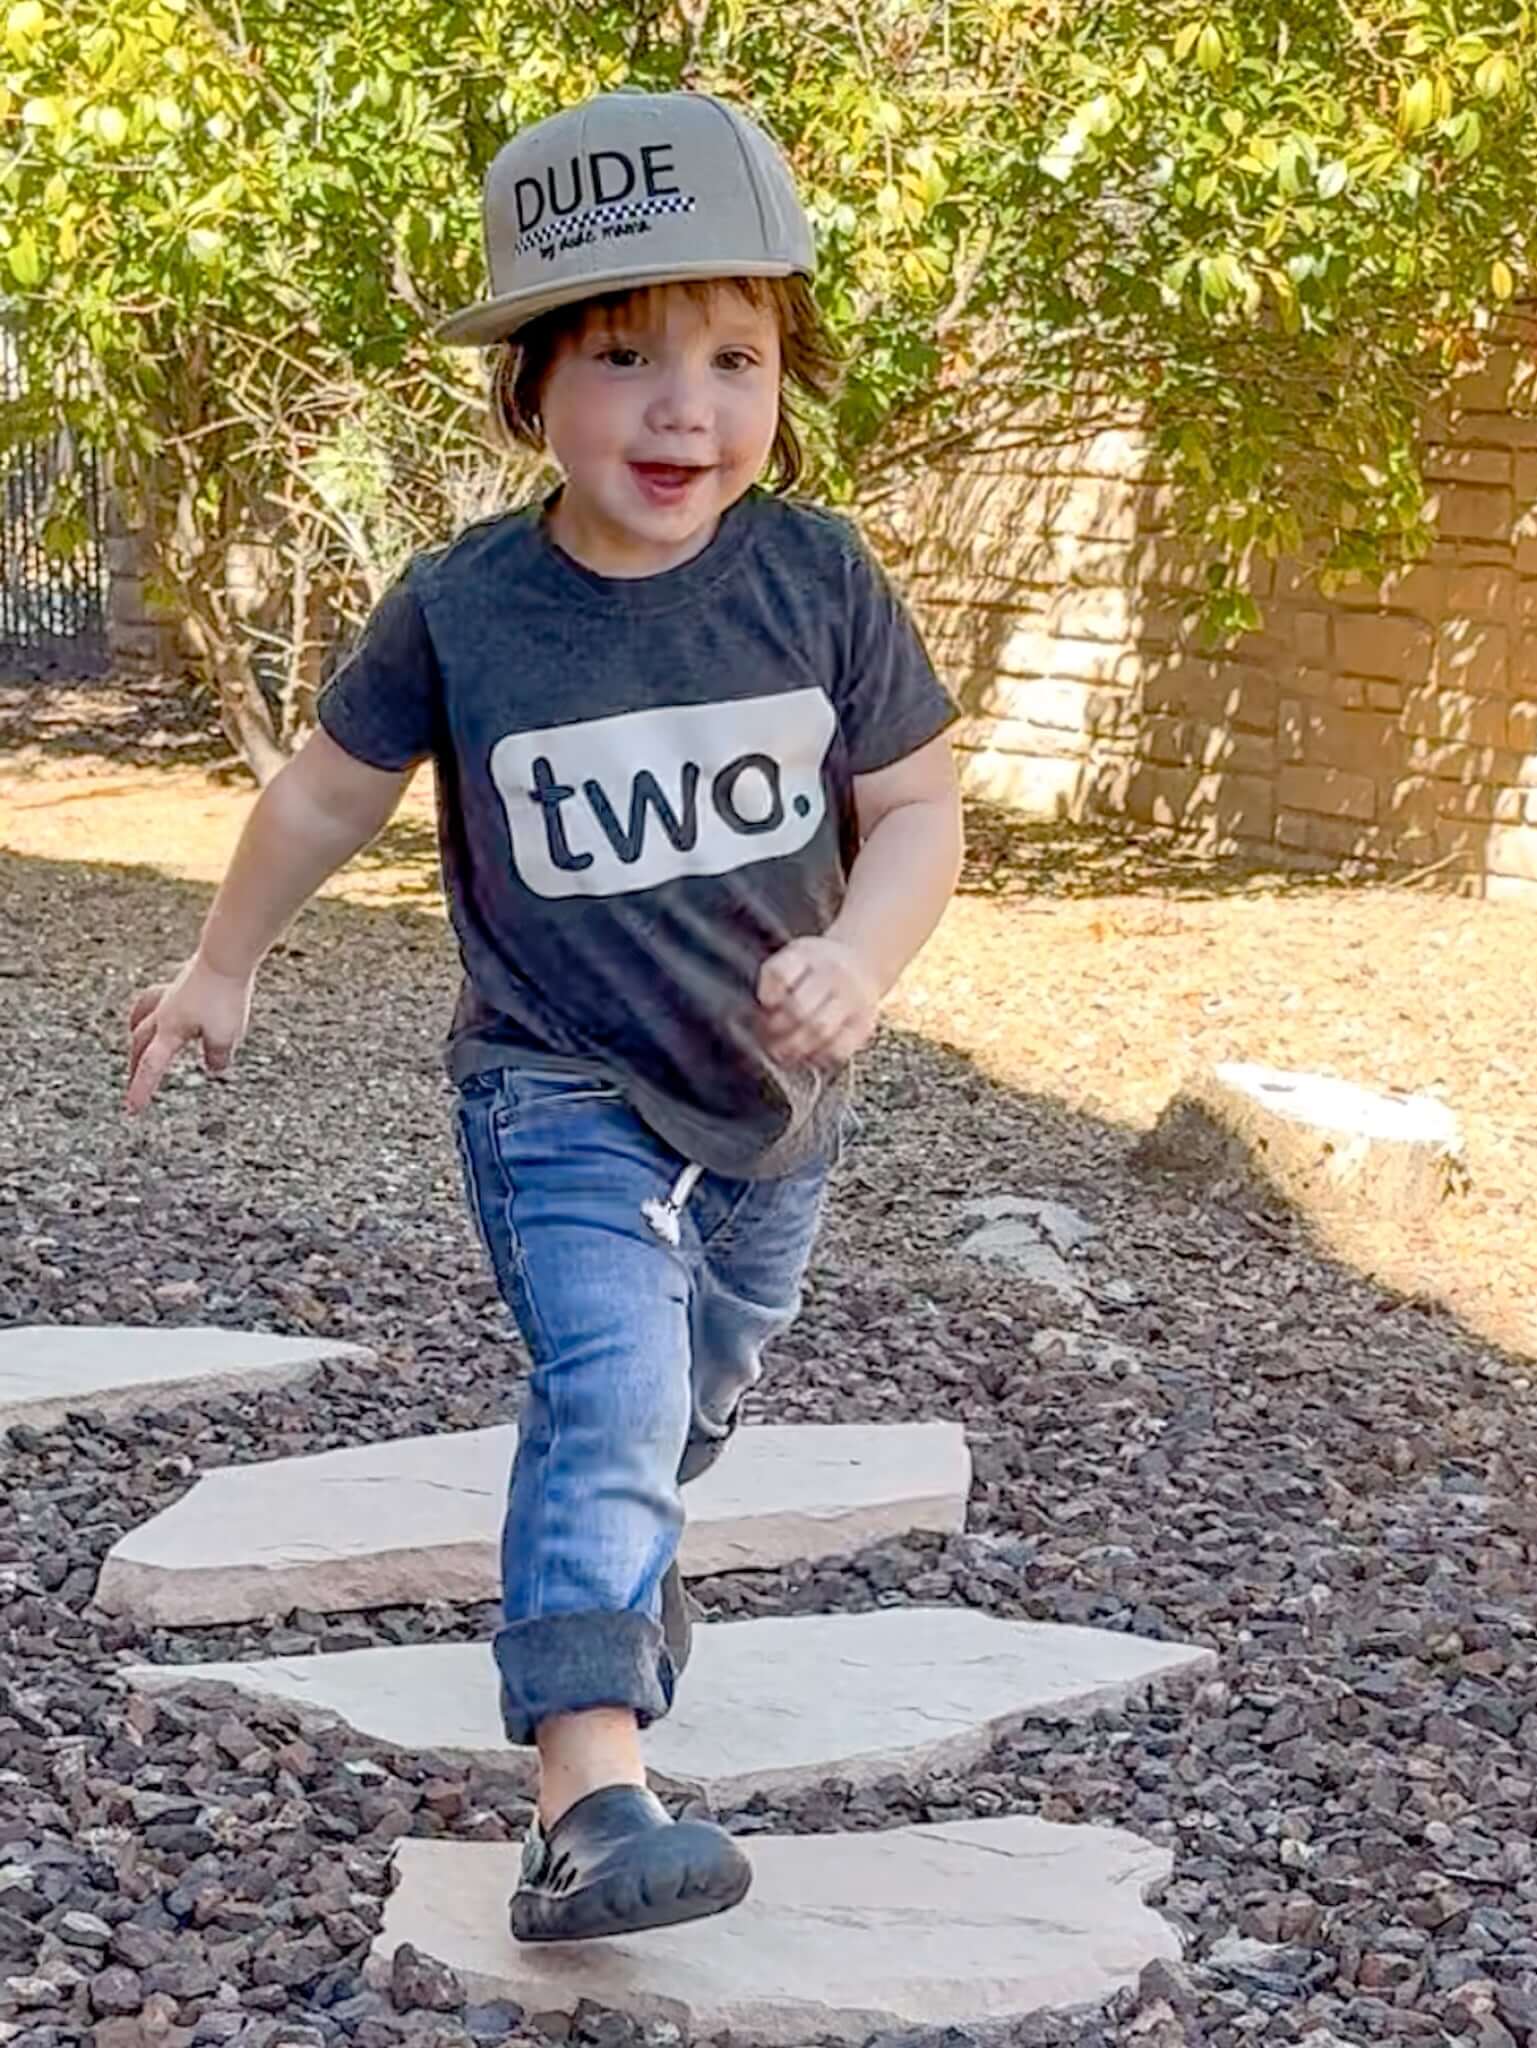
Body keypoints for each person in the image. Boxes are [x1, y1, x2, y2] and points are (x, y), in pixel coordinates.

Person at [124, 87, 963, 1943]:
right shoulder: (466, 607)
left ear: (782, 380)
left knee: (686, 1404)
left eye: (735, 358)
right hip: (556, 1092)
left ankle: (614, 1565)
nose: (686, 407)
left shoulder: (816, 581)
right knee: (610, 1382)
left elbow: (914, 809)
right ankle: (588, 1794)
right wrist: (227, 959)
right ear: (529, 388)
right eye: (624, 356)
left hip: (774, 1113)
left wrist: (869, 957)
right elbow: (331, 790)